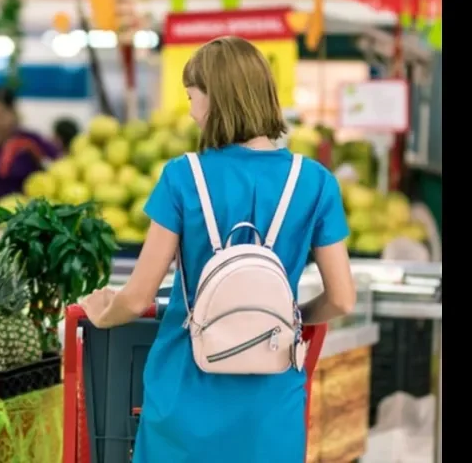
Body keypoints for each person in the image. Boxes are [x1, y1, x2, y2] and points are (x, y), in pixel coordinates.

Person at [79, 36, 356, 463]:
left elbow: (136, 297)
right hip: (272, 398)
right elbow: (341, 298)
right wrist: (289, 320)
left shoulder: (182, 177)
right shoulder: (316, 181)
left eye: (193, 96)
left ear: (216, 99)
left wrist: (103, 312)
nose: (191, 110)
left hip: (184, 394)